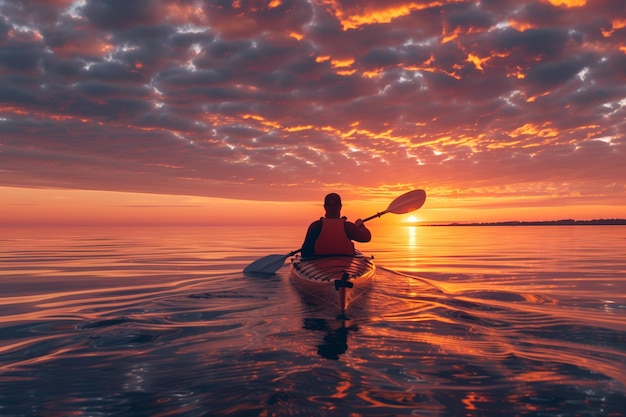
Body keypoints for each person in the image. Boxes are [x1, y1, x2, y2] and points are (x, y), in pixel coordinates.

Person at [300, 193, 372, 258]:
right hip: (345, 266)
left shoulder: (316, 226)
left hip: (320, 266)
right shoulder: (348, 227)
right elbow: (367, 237)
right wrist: (360, 225)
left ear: (325, 207)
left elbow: (305, 253)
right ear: (340, 207)